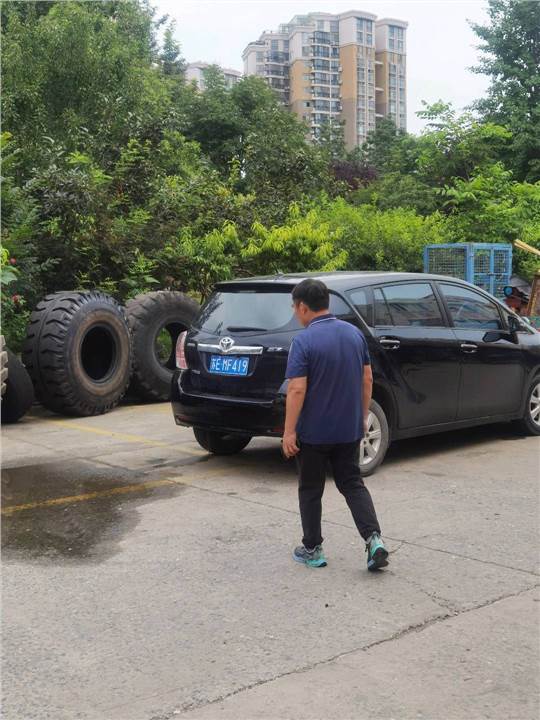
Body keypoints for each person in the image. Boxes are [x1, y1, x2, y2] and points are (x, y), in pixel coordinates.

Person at [282, 278, 389, 572]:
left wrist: (289, 431)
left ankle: (312, 549)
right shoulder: (354, 335)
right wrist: (361, 417)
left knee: (310, 488)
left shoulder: (303, 341)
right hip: (347, 429)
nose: (295, 313)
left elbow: (296, 389)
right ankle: (374, 540)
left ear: (303, 307)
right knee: (352, 484)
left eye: (294, 307)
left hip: (313, 434)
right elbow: (367, 379)